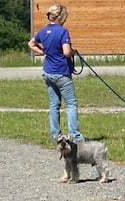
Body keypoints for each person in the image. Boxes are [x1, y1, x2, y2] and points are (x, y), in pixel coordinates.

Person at [28, 4, 85, 142]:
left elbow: (31, 44)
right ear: (60, 17)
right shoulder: (63, 31)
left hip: (48, 72)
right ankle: (75, 136)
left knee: (54, 104)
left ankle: (55, 135)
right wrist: (73, 51)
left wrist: (43, 52)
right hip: (61, 73)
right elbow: (66, 52)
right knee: (71, 104)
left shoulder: (44, 30)